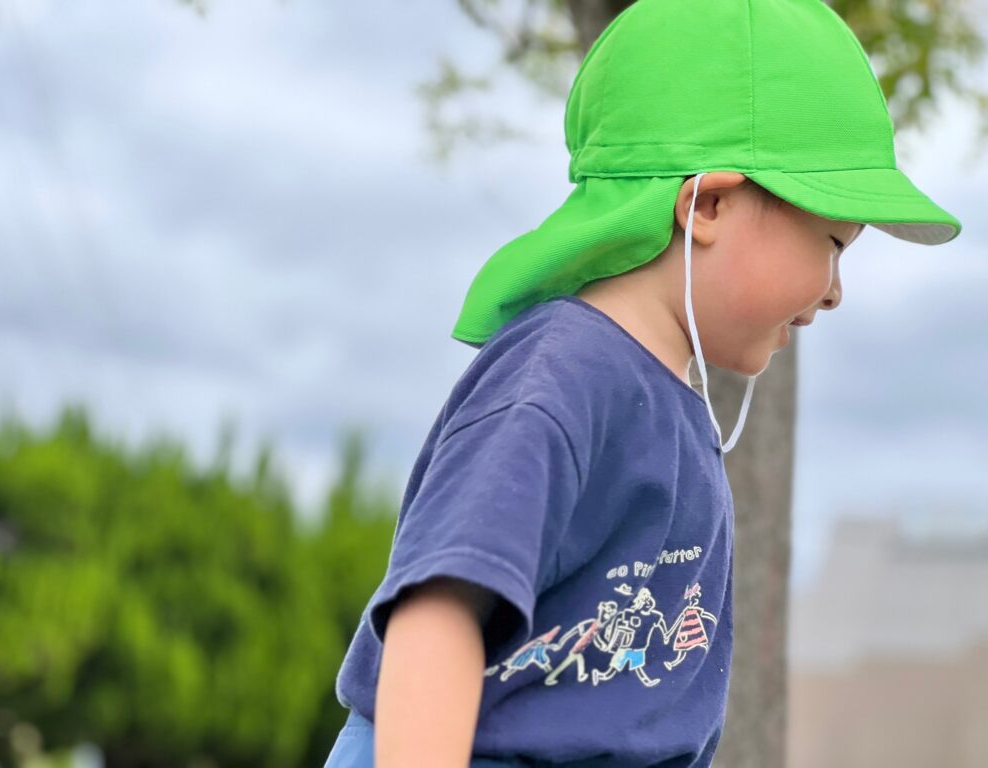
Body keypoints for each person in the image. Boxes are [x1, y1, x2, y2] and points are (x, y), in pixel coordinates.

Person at [324, 0, 962, 763]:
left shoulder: (668, 401)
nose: (834, 292)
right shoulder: (563, 375)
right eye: (833, 242)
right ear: (709, 205)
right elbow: (437, 615)